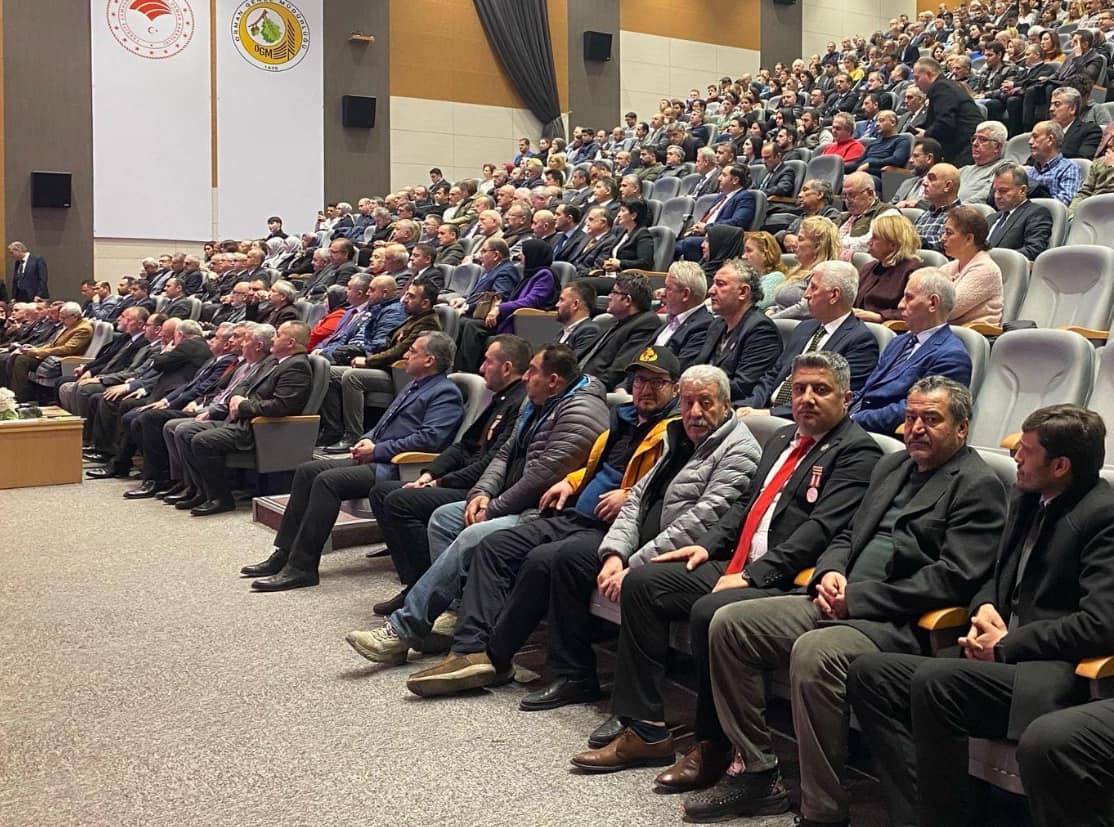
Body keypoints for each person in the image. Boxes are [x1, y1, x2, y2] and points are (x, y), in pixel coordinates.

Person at [682, 377, 1007, 825]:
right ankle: (758, 772)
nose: (915, 428)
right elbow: (848, 533)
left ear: (962, 427)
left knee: (815, 652)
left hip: (898, 623)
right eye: (911, 417)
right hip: (838, 598)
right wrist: (831, 571)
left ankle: (824, 811)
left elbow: (951, 579)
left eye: (931, 419)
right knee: (729, 623)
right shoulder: (893, 466)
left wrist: (858, 599)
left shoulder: (976, 485)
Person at [571, 353, 879, 781]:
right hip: (737, 561)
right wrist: (705, 546)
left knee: (707, 611)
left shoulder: (857, 451)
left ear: (846, 398)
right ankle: (645, 728)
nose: (807, 398)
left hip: (784, 578)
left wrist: (751, 575)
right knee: (643, 582)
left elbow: (820, 531)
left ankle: (712, 745)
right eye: (800, 389)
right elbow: (743, 507)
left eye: (820, 390)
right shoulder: (783, 437)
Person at [848, 404, 1114, 827]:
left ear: (1060, 465)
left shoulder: (1102, 516)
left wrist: (1006, 645)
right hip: (995, 657)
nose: (1015, 457)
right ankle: (917, 816)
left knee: (935, 682)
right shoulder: (1026, 495)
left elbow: (1100, 624)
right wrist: (985, 607)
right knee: (870, 673)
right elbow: (991, 573)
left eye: (1026, 451)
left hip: (1047, 671)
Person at [402, 346, 685, 697]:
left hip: (617, 527)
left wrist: (629, 494)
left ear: (675, 387)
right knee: (494, 545)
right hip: (576, 514)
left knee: (544, 559)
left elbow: (672, 484)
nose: (645, 389)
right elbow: (599, 466)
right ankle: (468, 650)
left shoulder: (677, 430)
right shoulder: (623, 418)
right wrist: (573, 481)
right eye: (639, 380)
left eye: (657, 382)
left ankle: (500, 658)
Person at [515, 364, 762, 729]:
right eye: (688, 402)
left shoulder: (739, 450)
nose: (695, 412)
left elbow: (702, 521)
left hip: (689, 554)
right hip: (643, 545)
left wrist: (636, 563)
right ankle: (575, 676)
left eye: (706, 402)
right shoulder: (677, 437)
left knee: (639, 583)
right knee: (569, 558)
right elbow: (636, 501)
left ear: (726, 405)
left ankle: (634, 713)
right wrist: (615, 554)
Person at [344, 343, 608, 666]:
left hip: (543, 513)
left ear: (553, 380)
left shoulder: (581, 412)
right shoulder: (537, 402)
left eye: (533, 371)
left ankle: (402, 629)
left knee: (472, 534)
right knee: (443, 519)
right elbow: (503, 454)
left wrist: (492, 509)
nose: (526, 377)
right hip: (508, 499)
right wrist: (482, 493)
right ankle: (454, 612)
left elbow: (541, 478)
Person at [243, 332, 465, 591]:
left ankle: (302, 567)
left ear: (430, 360)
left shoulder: (445, 393)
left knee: (327, 481)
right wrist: (367, 439)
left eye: (413, 351)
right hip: (379, 457)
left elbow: (430, 440)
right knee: (306, 471)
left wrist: (377, 450)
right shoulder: (415, 385)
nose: (405, 354)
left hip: (398, 467)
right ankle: (284, 553)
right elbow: (384, 425)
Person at [361, 335, 531, 615]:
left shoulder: (519, 403)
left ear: (507, 367)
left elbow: (492, 462)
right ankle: (417, 585)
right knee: (382, 493)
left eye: (488, 361)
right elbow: (464, 446)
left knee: (400, 502)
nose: (481, 368)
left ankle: (429, 589)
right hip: (465, 479)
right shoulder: (500, 398)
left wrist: (441, 482)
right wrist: (429, 474)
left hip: (482, 489)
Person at [177, 320, 314, 516]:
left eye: (278, 335)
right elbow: (244, 383)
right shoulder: (274, 361)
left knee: (202, 441)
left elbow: (281, 406)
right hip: (241, 421)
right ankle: (202, 491)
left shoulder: (297, 366)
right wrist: (236, 398)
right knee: (185, 431)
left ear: (291, 342)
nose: (273, 339)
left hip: (260, 429)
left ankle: (220, 498)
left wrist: (243, 405)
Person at [737, 260, 879, 418]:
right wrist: (750, 406)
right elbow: (773, 375)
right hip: (763, 412)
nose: (806, 295)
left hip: (804, 420)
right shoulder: (803, 328)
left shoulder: (861, 342)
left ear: (834, 295)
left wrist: (769, 413)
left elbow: (831, 400)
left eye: (814, 287)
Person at [321, 282, 442, 452]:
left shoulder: (428, 323)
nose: (405, 299)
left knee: (352, 377)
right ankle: (333, 429)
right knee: (329, 372)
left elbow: (397, 352)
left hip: (400, 374)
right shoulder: (414, 318)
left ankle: (353, 435)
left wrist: (368, 361)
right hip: (387, 367)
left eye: (411, 296)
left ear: (425, 303)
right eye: (406, 294)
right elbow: (388, 345)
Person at [851, 269, 973, 435]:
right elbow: (868, 390)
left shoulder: (952, 357)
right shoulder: (898, 341)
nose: (900, 305)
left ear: (933, 303)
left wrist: (851, 419)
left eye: (908, 298)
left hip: (886, 434)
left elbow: (913, 410)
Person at [454, 239, 559, 371]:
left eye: (523, 253)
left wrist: (499, 308)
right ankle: (458, 368)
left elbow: (531, 301)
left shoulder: (545, 275)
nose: (519, 256)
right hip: (513, 318)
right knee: (466, 322)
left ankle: (468, 370)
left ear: (533, 255)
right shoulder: (530, 274)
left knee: (473, 326)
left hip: (525, 322)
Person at [692, 258, 782, 405]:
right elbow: (698, 366)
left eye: (720, 284)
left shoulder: (761, 330)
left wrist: (694, 389)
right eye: (713, 283)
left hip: (731, 406)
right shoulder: (717, 324)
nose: (711, 291)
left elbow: (743, 386)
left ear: (743, 292)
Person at [577, 273, 662, 390]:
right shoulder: (616, 321)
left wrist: (580, 389)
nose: (609, 296)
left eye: (614, 292)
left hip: (589, 389)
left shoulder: (645, 324)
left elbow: (617, 372)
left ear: (627, 300)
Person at [1, 301, 91, 401]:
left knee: (21, 360)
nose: (61, 320)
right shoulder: (71, 325)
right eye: (61, 317)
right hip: (51, 356)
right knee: (16, 356)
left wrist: (38, 352)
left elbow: (67, 349)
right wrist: (36, 349)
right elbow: (52, 344)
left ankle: (20, 397)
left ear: (75, 316)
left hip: (62, 360)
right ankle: (9, 393)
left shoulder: (83, 329)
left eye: (64, 318)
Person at [676, 166, 757, 262]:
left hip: (721, 239)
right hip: (705, 235)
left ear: (735, 180)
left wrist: (707, 228)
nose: (719, 178)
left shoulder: (745, 197)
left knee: (688, 243)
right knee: (671, 244)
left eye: (724, 175)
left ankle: (698, 271)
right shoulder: (721, 197)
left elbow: (738, 222)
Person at [940, 206, 1004, 326]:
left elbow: (946, 311)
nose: (942, 238)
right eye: (944, 232)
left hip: (974, 335)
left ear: (969, 239)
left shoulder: (986, 270)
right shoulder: (948, 267)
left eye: (949, 233)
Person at [854, 213, 924, 323]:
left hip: (888, 328)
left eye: (875, 238)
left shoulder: (912, 271)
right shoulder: (868, 268)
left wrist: (880, 317)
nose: (869, 242)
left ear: (893, 244)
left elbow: (916, 311)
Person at [768, 216, 842, 319]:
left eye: (800, 239)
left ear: (817, 246)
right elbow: (780, 303)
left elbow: (807, 308)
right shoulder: (797, 270)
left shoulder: (823, 274)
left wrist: (770, 320)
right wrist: (770, 310)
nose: (795, 243)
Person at [914, 57, 982, 165]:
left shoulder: (941, 87)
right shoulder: (945, 86)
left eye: (917, 78)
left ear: (929, 74)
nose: (915, 83)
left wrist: (926, 133)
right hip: (963, 145)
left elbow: (945, 123)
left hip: (965, 149)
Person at [986, 162, 1054, 261]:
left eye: (1003, 191)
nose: (997, 196)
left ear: (1022, 190)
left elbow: (1033, 251)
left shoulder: (1037, 213)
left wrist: (991, 258)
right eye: (995, 191)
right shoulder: (990, 218)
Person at [1025, 120, 1083, 206]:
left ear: (1050, 140)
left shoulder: (1069, 168)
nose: (1030, 142)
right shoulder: (1029, 172)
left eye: (1035, 137)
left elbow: (1065, 201)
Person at [958, 121, 1007, 206]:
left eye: (982, 139)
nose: (975, 143)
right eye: (974, 138)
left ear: (997, 147)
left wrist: (957, 208)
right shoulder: (963, 170)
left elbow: (986, 196)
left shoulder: (1004, 168)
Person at [553, 280, 601, 356]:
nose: (557, 305)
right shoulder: (562, 332)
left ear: (575, 304)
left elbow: (575, 362)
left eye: (561, 300)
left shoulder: (589, 330)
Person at [741, 231, 786, 310]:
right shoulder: (746, 278)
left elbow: (757, 305)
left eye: (749, 251)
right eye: (744, 252)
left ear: (765, 254)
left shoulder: (777, 277)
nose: (743, 256)